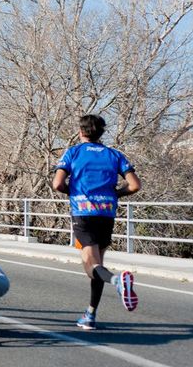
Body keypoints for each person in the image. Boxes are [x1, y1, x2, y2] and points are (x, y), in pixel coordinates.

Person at [52, 114, 142, 330]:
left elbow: (57, 184)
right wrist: (116, 194)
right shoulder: (114, 155)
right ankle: (90, 314)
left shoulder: (73, 152)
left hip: (83, 213)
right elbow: (135, 185)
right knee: (98, 263)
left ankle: (117, 281)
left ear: (80, 131)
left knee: (90, 266)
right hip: (107, 213)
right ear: (102, 133)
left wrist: (72, 192)